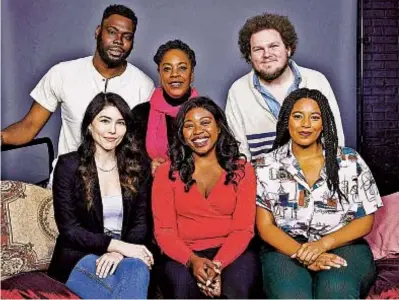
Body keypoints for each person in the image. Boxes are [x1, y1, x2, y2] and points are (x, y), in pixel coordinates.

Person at [255, 88, 382, 298]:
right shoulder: (264, 166)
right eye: (298, 116)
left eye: (315, 117)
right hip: (285, 249)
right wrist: (303, 253)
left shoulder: (349, 161)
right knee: (291, 296)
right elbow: (265, 226)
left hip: (343, 245)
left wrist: (322, 245)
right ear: (287, 120)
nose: (306, 124)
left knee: (335, 291)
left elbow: (365, 219)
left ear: (323, 124)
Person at [0, 5, 154, 177]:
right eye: (112, 32)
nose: (119, 40)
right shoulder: (63, 73)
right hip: (68, 183)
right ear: (98, 32)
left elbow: (145, 145)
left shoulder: (144, 86)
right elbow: (28, 126)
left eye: (127, 36)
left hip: (118, 187)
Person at [152, 97, 260, 299]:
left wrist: (217, 266)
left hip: (232, 251)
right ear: (182, 135)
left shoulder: (242, 171)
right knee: (181, 288)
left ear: (218, 127)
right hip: (183, 253)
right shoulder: (166, 172)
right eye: (189, 125)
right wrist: (192, 261)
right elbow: (164, 231)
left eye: (205, 122)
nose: (198, 131)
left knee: (237, 287)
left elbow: (243, 229)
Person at [48, 92, 153, 299]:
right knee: (112, 287)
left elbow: (141, 223)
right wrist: (115, 246)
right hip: (79, 256)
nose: (112, 130)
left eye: (120, 122)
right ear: (89, 125)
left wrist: (119, 253)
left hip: (125, 255)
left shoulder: (139, 166)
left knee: (138, 270)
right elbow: (70, 230)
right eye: (105, 121)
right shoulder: (68, 166)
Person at [225, 13, 345, 162]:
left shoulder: (317, 81)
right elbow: (240, 156)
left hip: (316, 181)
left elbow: (335, 140)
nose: (267, 54)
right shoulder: (238, 91)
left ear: (288, 48)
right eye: (258, 49)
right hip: (261, 183)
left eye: (273, 46)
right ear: (249, 55)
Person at [131, 39, 198, 175]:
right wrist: (147, 167)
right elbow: (127, 161)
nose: (174, 74)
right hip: (152, 192)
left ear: (192, 75)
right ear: (160, 74)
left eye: (182, 68)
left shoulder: (206, 114)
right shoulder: (139, 115)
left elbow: (218, 162)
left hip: (196, 192)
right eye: (167, 69)